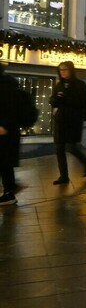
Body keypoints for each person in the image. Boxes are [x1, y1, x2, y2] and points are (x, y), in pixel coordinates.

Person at [50, 61, 86, 184]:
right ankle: (63, 176)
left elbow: (84, 102)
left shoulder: (80, 85)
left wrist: (66, 98)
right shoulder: (59, 85)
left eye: (65, 69)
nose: (63, 72)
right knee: (59, 149)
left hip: (73, 120)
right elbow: (53, 101)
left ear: (71, 70)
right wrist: (55, 99)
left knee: (71, 147)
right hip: (61, 120)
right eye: (61, 70)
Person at [0, 65, 23, 205]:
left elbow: (9, 109)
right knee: (4, 163)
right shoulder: (8, 85)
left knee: (4, 163)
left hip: (5, 132)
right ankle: (10, 190)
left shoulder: (4, 87)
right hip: (8, 131)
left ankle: (9, 192)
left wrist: (4, 126)